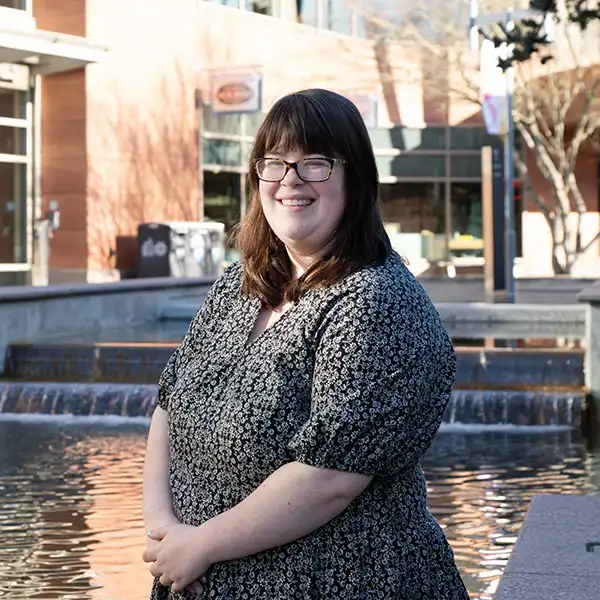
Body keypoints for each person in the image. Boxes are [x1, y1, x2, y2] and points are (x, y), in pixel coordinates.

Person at [142, 88, 469, 599]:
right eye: (274, 163)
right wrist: (164, 532)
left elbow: (330, 476)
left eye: (314, 163)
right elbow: (170, 401)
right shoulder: (238, 284)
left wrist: (201, 544)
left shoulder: (377, 302)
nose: (290, 180)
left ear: (355, 178)